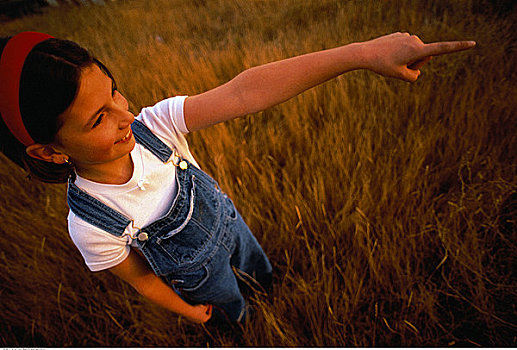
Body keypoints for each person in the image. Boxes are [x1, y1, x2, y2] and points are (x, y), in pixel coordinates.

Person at [0, 31, 475, 324]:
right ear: (48, 150)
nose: (125, 114)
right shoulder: (91, 223)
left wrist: (361, 54)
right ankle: (248, 324)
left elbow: (246, 92)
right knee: (237, 309)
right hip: (199, 281)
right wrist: (187, 312)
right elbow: (142, 280)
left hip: (234, 226)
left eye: (115, 92)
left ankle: (270, 287)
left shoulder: (155, 126)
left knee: (262, 270)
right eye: (97, 119)